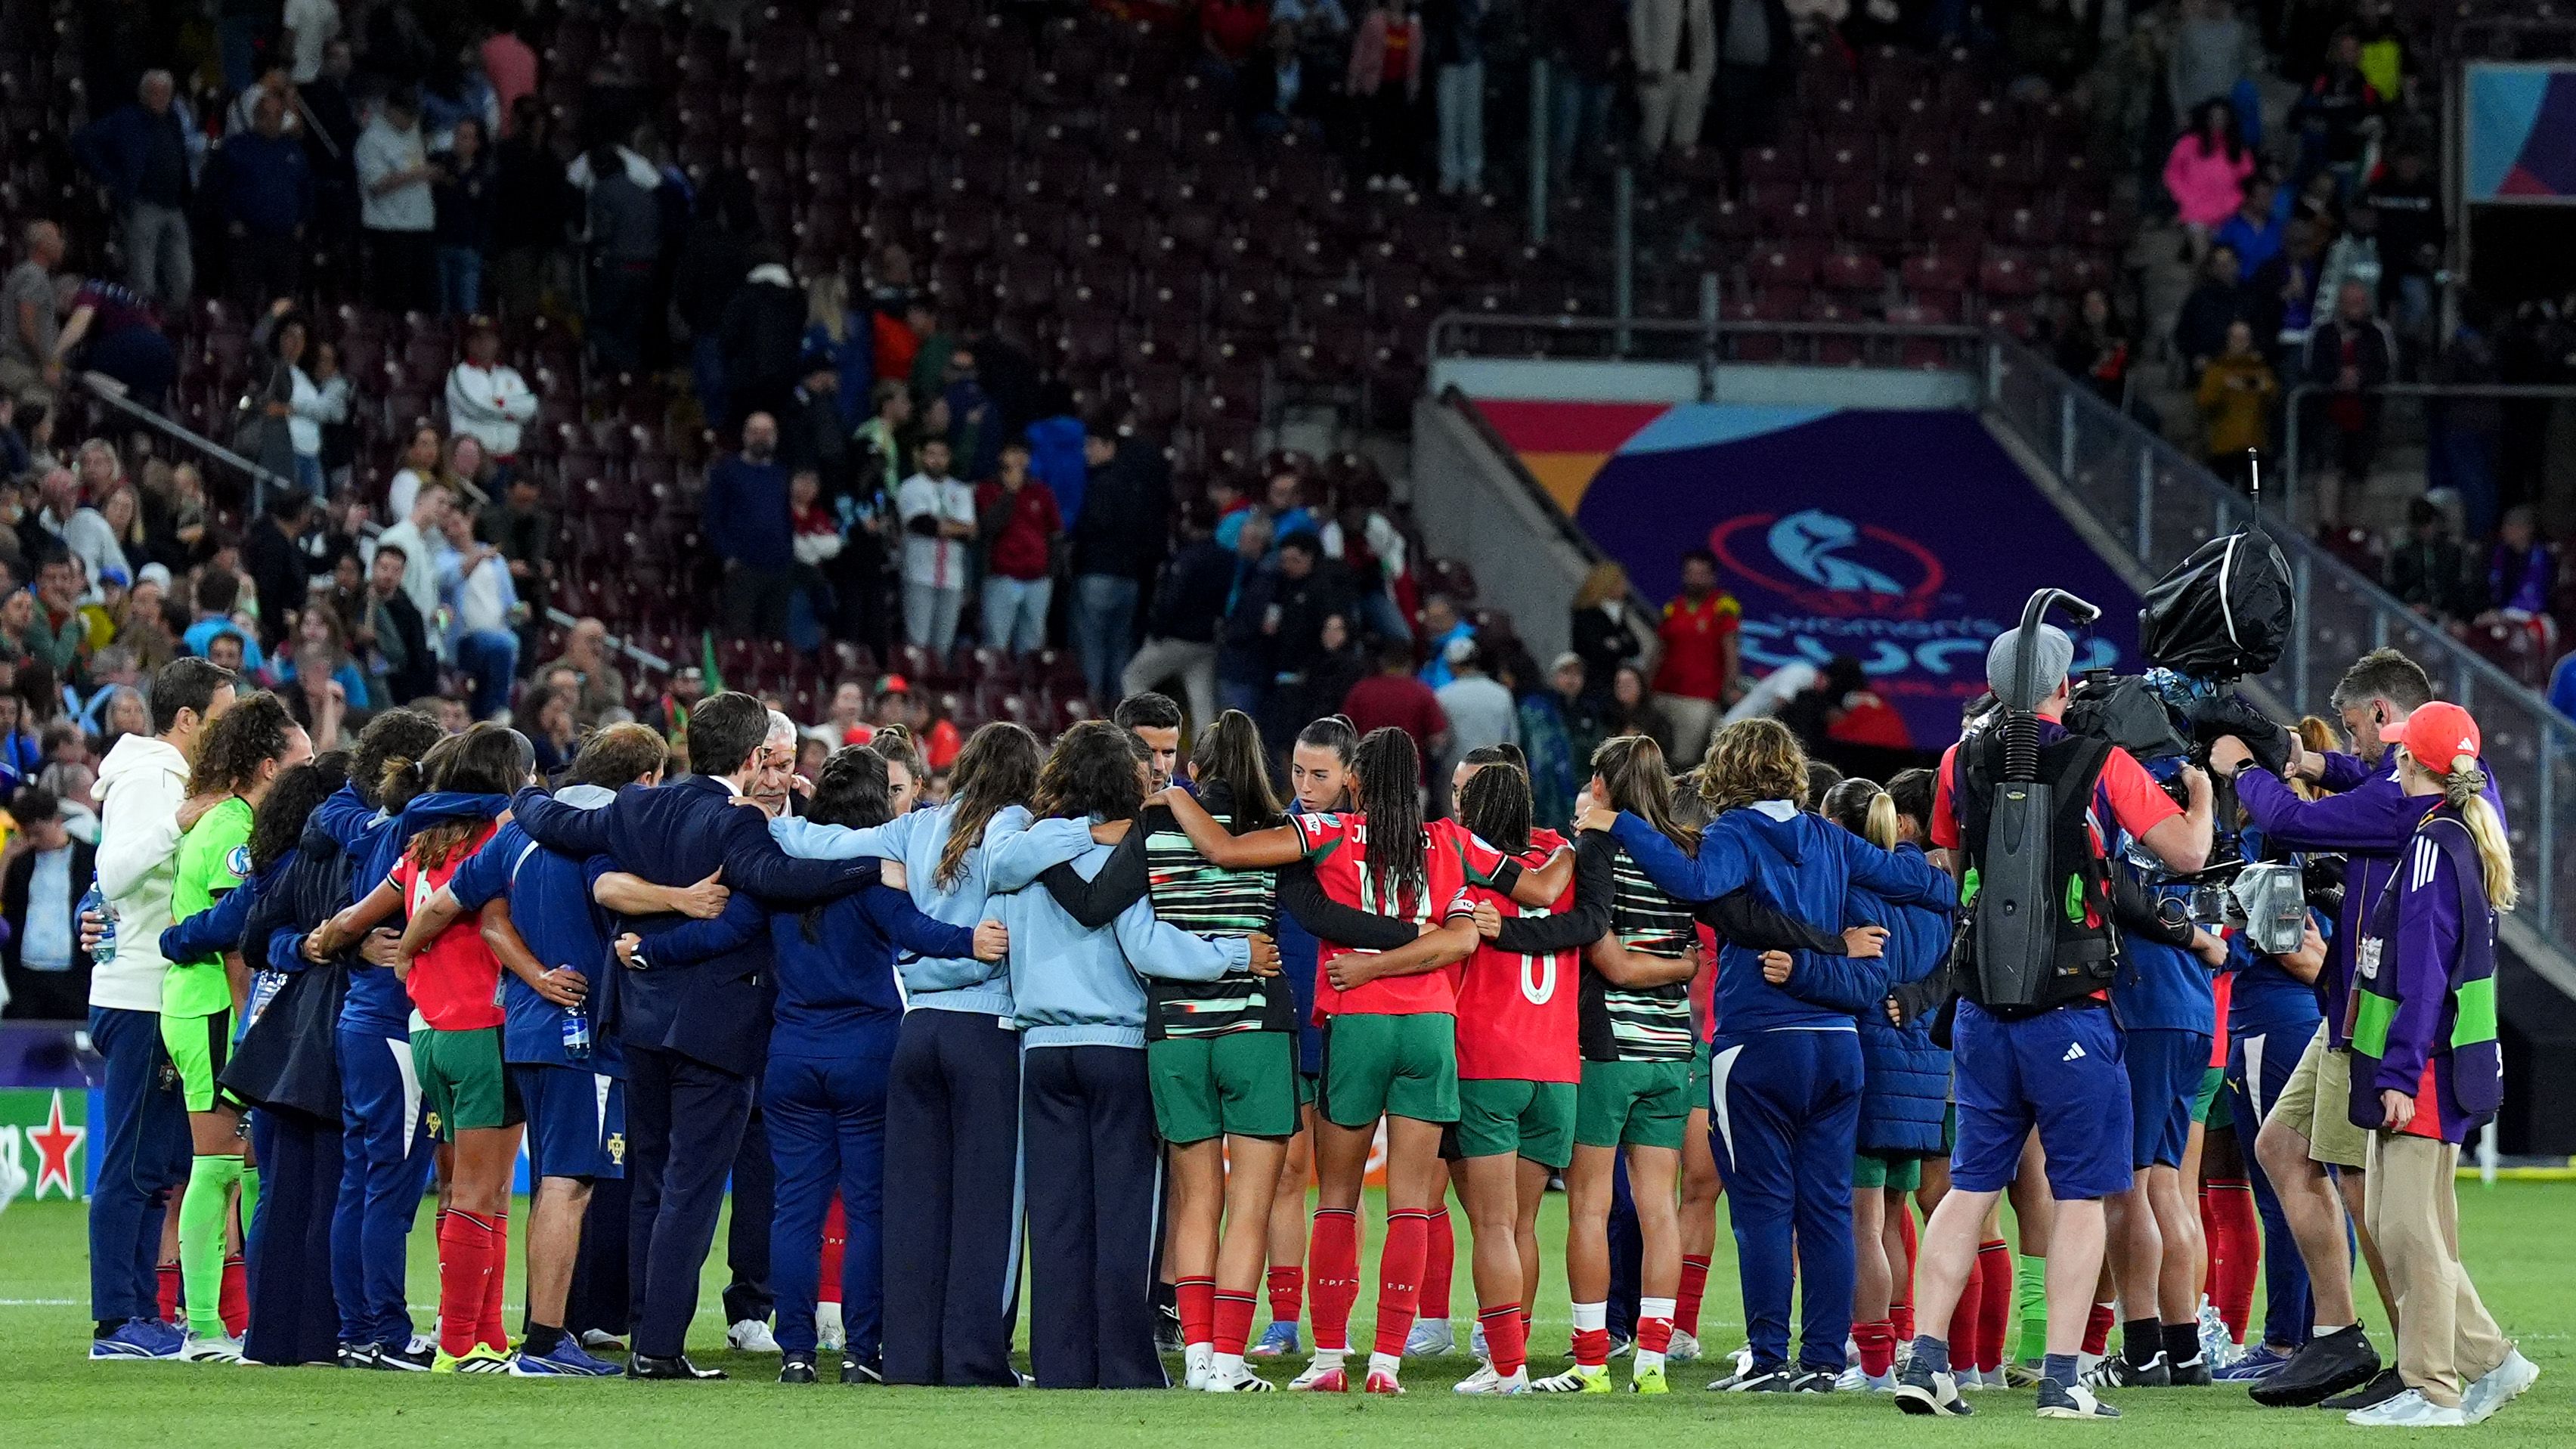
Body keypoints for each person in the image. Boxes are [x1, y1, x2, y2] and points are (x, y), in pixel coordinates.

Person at [1157, 726, 1573, 1395]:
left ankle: (1329, 1362)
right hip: (1432, 1026)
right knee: (1412, 1207)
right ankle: (1386, 1364)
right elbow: (1542, 890)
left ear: (1355, 780)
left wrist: (1173, 794)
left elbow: (1224, 849)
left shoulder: (1330, 833)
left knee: (1339, 1201)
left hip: (1357, 1023)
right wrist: (1579, 844)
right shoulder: (1453, 840)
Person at [1890, 622, 2212, 1421]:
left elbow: (1950, 860)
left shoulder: (1956, 761)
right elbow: (2187, 856)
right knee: (2079, 1196)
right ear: (2064, 689)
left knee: (1969, 1188)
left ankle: (1928, 1359)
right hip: (2072, 1013)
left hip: (1980, 1013)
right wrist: (2202, 803)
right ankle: (2064, 1377)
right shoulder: (2104, 762)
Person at [505, 692, 878, 1379]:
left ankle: (649, 1332)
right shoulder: (735, 822)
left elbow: (552, 822)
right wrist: (871, 864)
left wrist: (525, 792)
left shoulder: (638, 805)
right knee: (691, 1190)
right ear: (749, 757)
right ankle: (657, 1348)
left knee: (650, 1183)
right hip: (717, 1030)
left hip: (639, 1023)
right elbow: (779, 879)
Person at [757, 720, 1045, 1386]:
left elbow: (814, 840)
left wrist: (771, 810)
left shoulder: (918, 827)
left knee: (900, 1206)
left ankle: (898, 1354)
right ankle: (966, 1358)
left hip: (909, 1033)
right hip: (980, 1027)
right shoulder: (1020, 827)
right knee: (982, 1205)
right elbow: (927, 912)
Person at [401, 721, 670, 1377]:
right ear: (646, 780)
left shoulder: (519, 832)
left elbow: (448, 906)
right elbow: (614, 894)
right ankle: (545, 1341)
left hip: (519, 1032)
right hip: (583, 1030)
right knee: (566, 1184)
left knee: (513, 1185)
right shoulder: (612, 830)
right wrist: (684, 899)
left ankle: (493, 1334)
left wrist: (405, 953)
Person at [2337, 702, 2537, 1427]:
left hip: (2420, 1064)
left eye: (2398, 751)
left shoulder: (2432, 844)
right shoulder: (2463, 837)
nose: (2391, 758)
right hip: (2448, 1058)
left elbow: (2420, 972)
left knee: (2406, 1229)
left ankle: (2434, 1388)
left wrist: (2393, 1074)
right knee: (2419, 1225)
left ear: (2410, 763)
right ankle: (2485, 1361)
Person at [310, 724, 521, 1371]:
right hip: (476, 1025)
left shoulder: (421, 845)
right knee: (479, 1190)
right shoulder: (496, 840)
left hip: (426, 1032)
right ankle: (454, 1340)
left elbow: (352, 918)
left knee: (460, 1185)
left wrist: (323, 940)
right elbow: (492, 924)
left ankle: (481, 1332)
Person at [84, 658, 235, 1361]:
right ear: (186, 719)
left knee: (157, 1165)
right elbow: (112, 870)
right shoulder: (152, 777)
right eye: (223, 716)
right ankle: (117, 1320)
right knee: (134, 1163)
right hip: (141, 992)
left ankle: (140, 1309)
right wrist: (179, 820)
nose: (230, 729)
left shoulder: (162, 777)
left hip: (157, 992)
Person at [163, 692, 314, 1361]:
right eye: (300, 764)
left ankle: (254, 1315)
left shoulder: (237, 821)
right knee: (219, 1164)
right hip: (212, 1009)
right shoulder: (231, 829)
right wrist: (253, 1033)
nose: (309, 776)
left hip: (217, 1006)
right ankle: (201, 1328)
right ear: (264, 768)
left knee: (249, 1168)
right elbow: (234, 944)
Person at [72, 72, 194, 308]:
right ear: (144, 95)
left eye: (166, 93)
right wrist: (109, 178)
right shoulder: (127, 119)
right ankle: (139, 326)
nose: (161, 98)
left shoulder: (173, 120)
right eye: (156, 93)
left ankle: (172, 330)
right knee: (142, 279)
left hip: (174, 207)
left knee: (182, 278)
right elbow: (83, 141)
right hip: (142, 205)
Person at [1068, 423, 1167, 705]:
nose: (1087, 452)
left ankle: (1092, 710)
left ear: (1109, 446)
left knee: (1092, 646)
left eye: (1092, 445)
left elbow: (1094, 524)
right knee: (1119, 647)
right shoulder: (1140, 487)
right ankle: (1118, 710)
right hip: (1130, 578)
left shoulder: (1100, 483)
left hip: (1098, 573)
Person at [1123, 500, 1231, 730]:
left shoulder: (1186, 559)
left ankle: (1139, 741)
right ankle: (1205, 758)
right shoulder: (1226, 558)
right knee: (1202, 701)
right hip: (1206, 639)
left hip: (1175, 637)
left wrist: (1157, 630)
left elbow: (1172, 601)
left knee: (1133, 679)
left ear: (1189, 523)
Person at [2304, 281, 2397, 526]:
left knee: (2358, 473)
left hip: (2364, 414)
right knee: (2329, 466)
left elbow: (2384, 367)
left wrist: (2361, 377)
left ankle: (2352, 527)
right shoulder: (2324, 333)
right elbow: (2314, 366)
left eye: (2361, 303)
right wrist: (2337, 377)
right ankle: (2327, 524)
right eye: (2351, 303)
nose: (2357, 308)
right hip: (2330, 414)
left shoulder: (2376, 333)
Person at [0, 785, 91, 1019]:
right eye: (26, 834)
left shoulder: (89, 857)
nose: (33, 841)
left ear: (57, 821)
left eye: (38, 833)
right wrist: (7, 858)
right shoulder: (21, 861)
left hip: (73, 971)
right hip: (26, 971)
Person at [216, 91, 314, 308]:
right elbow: (219, 189)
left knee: (282, 303)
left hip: (285, 240)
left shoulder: (293, 150)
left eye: (278, 115)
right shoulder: (237, 148)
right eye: (266, 115)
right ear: (256, 117)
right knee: (244, 300)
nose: (272, 121)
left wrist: (302, 221)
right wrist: (230, 220)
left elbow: (306, 189)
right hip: (248, 238)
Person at [705, 412, 795, 642]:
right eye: (756, 432)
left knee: (776, 640)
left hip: (779, 569)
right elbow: (713, 519)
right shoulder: (726, 472)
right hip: (742, 568)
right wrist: (728, 557)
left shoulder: (782, 474)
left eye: (767, 432)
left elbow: (788, 518)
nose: (761, 438)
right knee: (740, 637)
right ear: (745, 435)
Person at [1649, 550, 1738, 766]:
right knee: (1649, 756)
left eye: (1701, 573)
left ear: (1712, 577)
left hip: (1699, 698)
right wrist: (1646, 684)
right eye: (1690, 573)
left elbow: (1731, 652)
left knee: (1681, 761)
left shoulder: (1723, 607)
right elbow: (1659, 650)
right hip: (1661, 692)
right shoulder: (1673, 607)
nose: (1695, 579)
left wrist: (1729, 688)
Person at [975, 438, 1060, 658]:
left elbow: (1055, 534)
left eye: (1024, 454)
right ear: (1001, 456)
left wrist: (1049, 573)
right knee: (996, 642)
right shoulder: (987, 489)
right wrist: (1010, 493)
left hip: (1037, 579)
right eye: (1013, 451)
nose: (1019, 458)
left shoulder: (1042, 492)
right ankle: (995, 689)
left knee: (1032, 645)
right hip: (1001, 577)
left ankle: (1027, 691)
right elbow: (988, 527)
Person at [355, 91, 438, 314]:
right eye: (406, 115)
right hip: (390, 228)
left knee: (425, 299)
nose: (410, 121)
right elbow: (376, 185)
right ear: (391, 110)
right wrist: (417, 174)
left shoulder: (413, 133)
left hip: (420, 225)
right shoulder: (371, 139)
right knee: (394, 300)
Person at [896, 437, 978, 661]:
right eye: (931, 454)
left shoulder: (960, 490)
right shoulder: (911, 487)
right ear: (922, 457)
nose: (936, 460)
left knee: (943, 644)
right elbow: (923, 525)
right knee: (917, 641)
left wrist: (946, 527)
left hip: (952, 575)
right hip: (919, 572)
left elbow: (970, 532)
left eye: (942, 454)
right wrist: (954, 527)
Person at [444, 319, 537, 476]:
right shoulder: (459, 374)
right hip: (472, 462)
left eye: (489, 338)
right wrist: (510, 411)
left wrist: (497, 404)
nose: (484, 343)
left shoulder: (510, 375)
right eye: (478, 338)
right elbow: (476, 408)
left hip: (507, 459)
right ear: (469, 343)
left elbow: (529, 407)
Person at [430, 117, 497, 317]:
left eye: (466, 137)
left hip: (468, 249)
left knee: (467, 311)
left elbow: (488, 214)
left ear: (477, 143)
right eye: (458, 135)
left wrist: (480, 245)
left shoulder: (485, 175)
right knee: (442, 310)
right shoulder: (441, 167)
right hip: (441, 244)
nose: (459, 140)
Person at [2197, 320, 2277, 481]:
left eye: (2244, 338)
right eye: (2236, 338)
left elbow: (2271, 391)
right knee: (2223, 494)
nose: (2240, 343)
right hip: (2224, 447)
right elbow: (2205, 400)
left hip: (2255, 445)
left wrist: (2240, 384)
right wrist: (2226, 386)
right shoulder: (2217, 370)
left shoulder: (2259, 368)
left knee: (2253, 495)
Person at [535, 617, 627, 729]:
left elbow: (615, 713)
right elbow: (537, 707)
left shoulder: (612, 677)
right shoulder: (549, 672)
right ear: (573, 642)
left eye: (601, 642)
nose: (597, 648)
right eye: (592, 641)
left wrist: (596, 680)